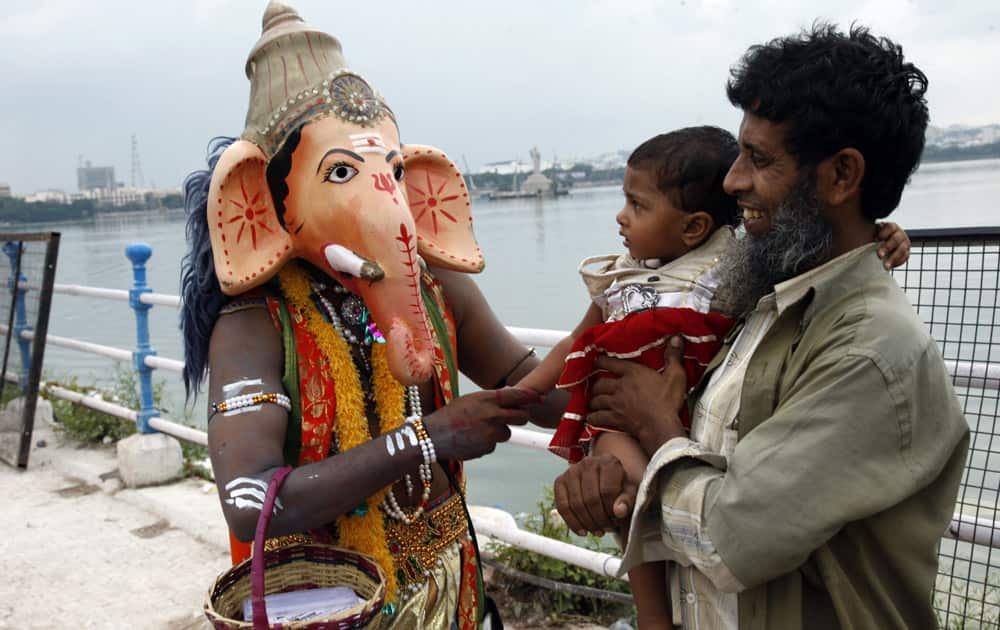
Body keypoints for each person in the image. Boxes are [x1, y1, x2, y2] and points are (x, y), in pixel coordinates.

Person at [553, 24, 969, 629]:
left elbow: (728, 539)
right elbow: (702, 446)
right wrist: (612, 469)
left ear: (842, 176)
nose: (732, 180)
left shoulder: (870, 351)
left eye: (760, 159)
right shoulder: (765, 302)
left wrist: (656, 424)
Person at [180, 3, 559, 628]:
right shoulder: (255, 324)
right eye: (339, 174)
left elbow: (523, 377)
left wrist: (615, 353)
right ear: (261, 197)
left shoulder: (435, 288)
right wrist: (427, 438)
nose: (381, 200)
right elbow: (250, 502)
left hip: (449, 573)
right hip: (333, 599)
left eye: (392, 170)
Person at [520, 127, 910, 628]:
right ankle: (654, 618)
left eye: (637, 206)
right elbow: (578, 341)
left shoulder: (732, 267)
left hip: (690, 419)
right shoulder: (622, 276)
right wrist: (522, 394)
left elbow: (820, 265)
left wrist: (883, 236)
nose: (620, 218)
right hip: (620, 414)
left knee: (650, 498)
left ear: (693, 227)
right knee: (629, 499)